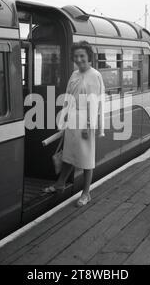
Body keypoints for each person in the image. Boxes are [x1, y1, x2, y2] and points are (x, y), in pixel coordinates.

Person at [43, 41, 105, 207]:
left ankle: (86, 193)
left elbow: (95, 103)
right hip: (72, 119)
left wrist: (89, 126)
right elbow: (68, 97)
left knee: (86, 159)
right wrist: (63, 119)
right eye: (76, 56)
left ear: (88, 57)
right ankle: (60, 184)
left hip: (86, 121)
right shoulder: (74, 74)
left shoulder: (95, 75)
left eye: (82, 56)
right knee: (69, 155)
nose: (79, 59)